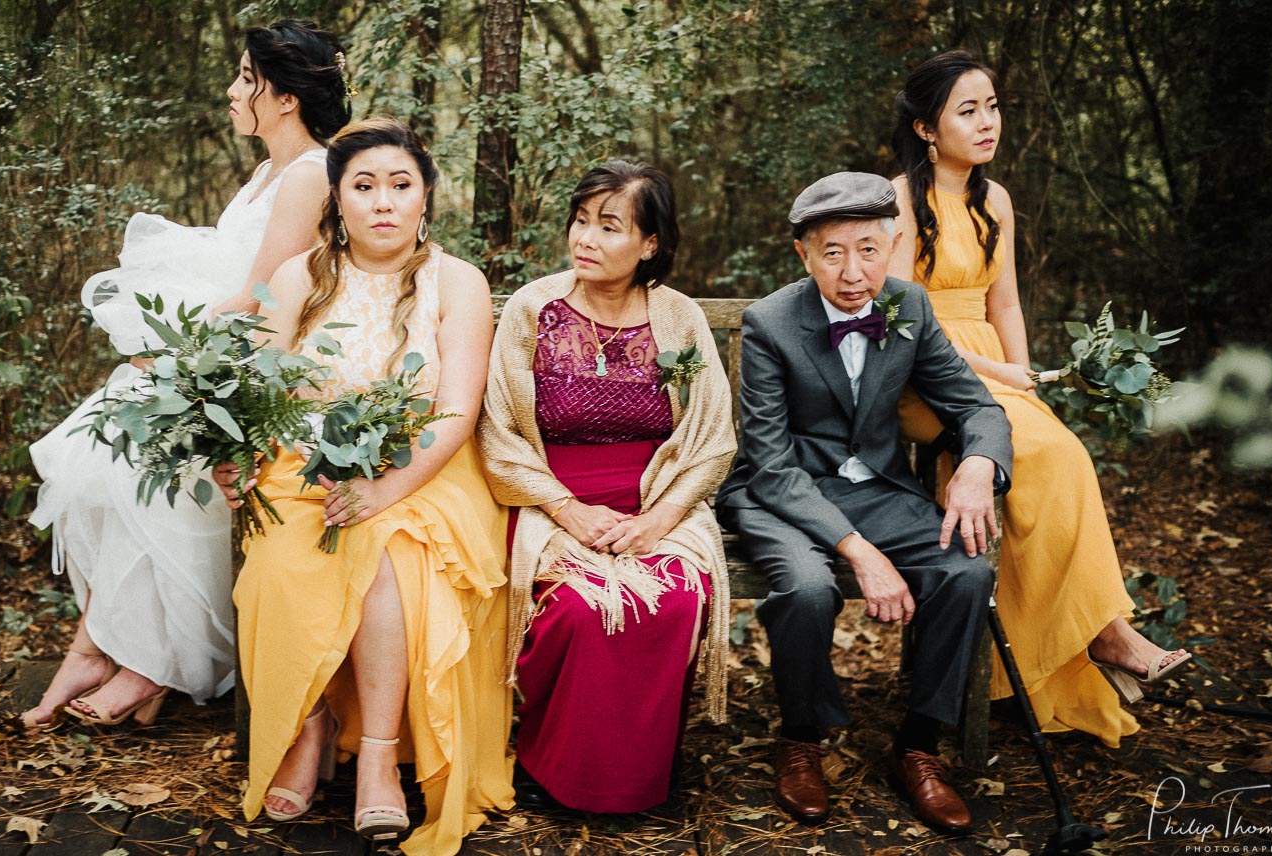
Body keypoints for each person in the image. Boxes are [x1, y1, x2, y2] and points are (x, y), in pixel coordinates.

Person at [20, 20, 352, 730]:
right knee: (104, 454)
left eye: (245, 79)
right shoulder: (267, 170)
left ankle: (144, 663)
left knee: (139, 449)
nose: (233, 92)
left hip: (269, 367)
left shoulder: (308, 175)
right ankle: (101, 647)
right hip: (226, 353)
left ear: (285, 97)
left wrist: (175, 358)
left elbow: (262, 300)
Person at [215, 118, 513, 852]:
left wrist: (387, 488)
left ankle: (379, 754)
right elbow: (259, 393)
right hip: (302, 469)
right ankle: (307, 728)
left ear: (425, 198)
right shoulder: (297, 277)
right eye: (364, 186)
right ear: (338, 201)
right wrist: (241, 458)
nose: (383, 201)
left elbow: (457, 410)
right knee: (283, 564)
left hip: (426, 470)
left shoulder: (460, 282)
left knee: (381, 554)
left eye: (400, 185)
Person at [888, 49, 1190, 745]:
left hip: (990, 371)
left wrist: (1019, 376)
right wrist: (995, 384)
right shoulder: (899, 200)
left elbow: (1007, 302)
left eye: (992, 106)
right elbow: (904, 325)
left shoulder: (995, 200)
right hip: (921, 372)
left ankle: (1046, 654)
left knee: (1050, 453)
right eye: (967, 110)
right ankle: (1108, 634)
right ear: (928, 128)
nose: (987, 122)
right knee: (1057, 456)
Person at [716, 172, 1012, 835]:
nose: (854, 272)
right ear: (803, 255)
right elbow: (769, 461)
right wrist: (860, 553)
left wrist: (976, 463)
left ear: (893, 244)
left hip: (875, 489)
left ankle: (919, 746)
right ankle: (800, 739)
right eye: (833, 252)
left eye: (869, 249)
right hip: (780, 494)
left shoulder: (908, 306)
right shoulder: (771, 321)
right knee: (808, 589)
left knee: (966, 573)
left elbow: (976, 406)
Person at [478, 161, 735, 813]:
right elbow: (498, 434)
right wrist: (565, 510)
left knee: (673, 600)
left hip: (658, 507)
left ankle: (638, 765)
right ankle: (550, 761)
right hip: (551, 503)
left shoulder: (678, 319)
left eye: (609, 226)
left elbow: (711, 437)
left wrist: (660, 520)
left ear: (650, 245)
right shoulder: (533, 311)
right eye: (581, 221)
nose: (585, 238)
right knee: (579, 607)